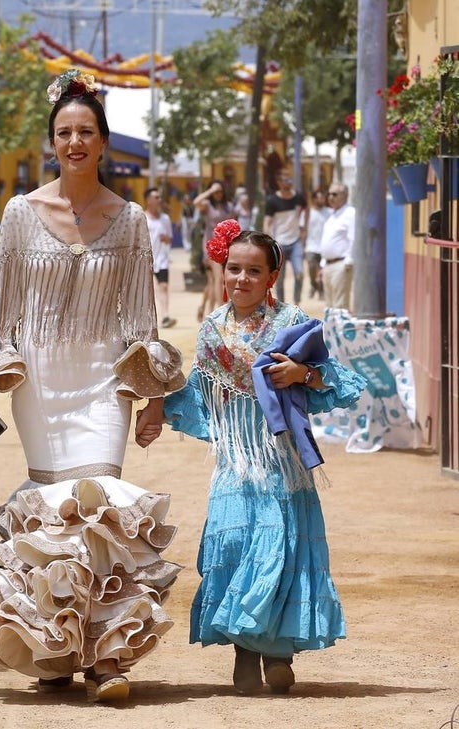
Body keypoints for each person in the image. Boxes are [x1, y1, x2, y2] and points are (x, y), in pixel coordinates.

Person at [0, 70, 183, 702]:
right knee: (52, 511)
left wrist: (151, 399)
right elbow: (1, 313)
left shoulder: (131, 219)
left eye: (85, 132)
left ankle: (108, 654)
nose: (74, 142)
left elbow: (141, 316)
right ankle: (53, 651)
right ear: (52, 141)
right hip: (40, 380)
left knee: (100, 499)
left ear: (104, 142)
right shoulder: (20, 213)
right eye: (64, 133)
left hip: (103, 378)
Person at [162, 220, 366, 695]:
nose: (242, 279)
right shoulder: (212, 329)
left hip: (284, 461)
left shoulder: (293, 323)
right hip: (236, 461)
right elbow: (198, 392)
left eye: (254, 270)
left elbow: (337, 381)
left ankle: (278, 652)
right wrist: (154, 405)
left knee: (284, 546)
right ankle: (244, 653)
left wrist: (301, 374)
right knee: (235, 549)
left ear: (272, 276)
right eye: (234, 268)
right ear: (223, 269)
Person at [194, 180, 235, 322]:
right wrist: (210, 190)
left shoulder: (229, 206)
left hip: (227, 247)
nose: (218, 194)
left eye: (220, 191)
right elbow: (195, 202)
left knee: (212, 282)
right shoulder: (207, 205)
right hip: (211, 246)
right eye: (215, 192)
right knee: (219, 278)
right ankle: (221, 310)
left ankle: (204, 306)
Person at [263, 174, 307, 304]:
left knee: (300, 274)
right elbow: (267, 221)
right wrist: (268, 240)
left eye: (290, 179)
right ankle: (281, 305)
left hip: (295, 241)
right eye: (285, 180)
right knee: (279, 278)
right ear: (279, 182)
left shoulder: (298, 197)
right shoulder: (272, 200)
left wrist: (304, 227)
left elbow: (307, 208)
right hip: (279, 243)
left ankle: (296, 302)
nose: (288, 182)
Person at [144, 186, 176, 328]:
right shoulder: (143, 218)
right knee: (148, 290)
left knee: (163, 286)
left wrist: (166, 239)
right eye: (156, 197)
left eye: (159, 197)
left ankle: (165, 316)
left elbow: (170, 239)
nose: (159, 200)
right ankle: (148, 319)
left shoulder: (165, 219)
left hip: (162, 260)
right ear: (148, 200)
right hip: (146, 260)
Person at [320, 184, 354, 311]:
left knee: (340, 307)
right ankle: (329, 331)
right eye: (329, 194)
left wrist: (348, 261)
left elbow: (353, 238)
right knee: (329, 307)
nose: (330, 197)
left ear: (345, 196)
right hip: (328, 266)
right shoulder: (332, 215)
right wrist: (323, 263)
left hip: (341, 265)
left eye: (335, 194)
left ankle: (340, 332)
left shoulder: (350, 213)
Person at [304, 190, 328, 299]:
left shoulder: (329, 212)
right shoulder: (308, 213)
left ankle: (321, 290)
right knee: (312, 267)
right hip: (311, 246)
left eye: (323, 198)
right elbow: (302, 229)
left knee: (322, 269)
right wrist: (302, 244)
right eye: (319, 198)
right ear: (314, 199)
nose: (322, 200)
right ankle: (313, 285)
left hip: (324, 246)